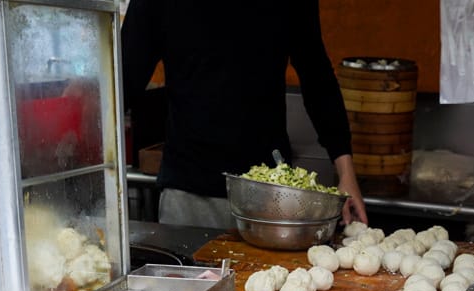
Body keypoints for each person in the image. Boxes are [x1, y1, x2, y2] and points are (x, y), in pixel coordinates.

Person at [121, 1, 368, 230]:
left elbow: (317, 77)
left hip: (270, 193)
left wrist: (346, 174)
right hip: (190, 194)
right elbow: (122, 79)